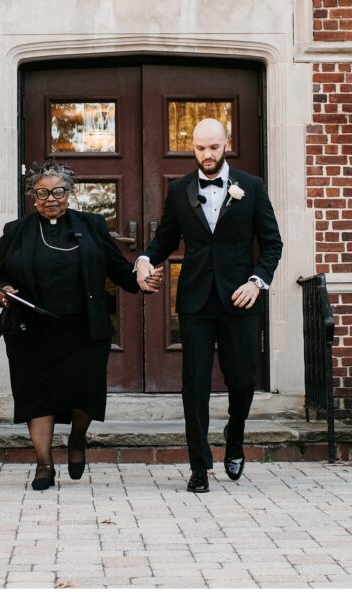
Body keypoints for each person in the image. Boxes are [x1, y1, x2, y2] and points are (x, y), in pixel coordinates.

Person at [0, 161, 163, 491]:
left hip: (83, 330)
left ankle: (77, 440)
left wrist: (141, 280)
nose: (50, 199)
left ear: (69, 193)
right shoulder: (16, 232)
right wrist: (2, 292)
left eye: (58, 191)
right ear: (32, 197)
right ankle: (43, 465)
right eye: (42, 192)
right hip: (31, 331)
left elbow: (118, 269)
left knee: (84, 395)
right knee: (37, 397)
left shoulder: (92, 225)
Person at [136, 118, 283, 493]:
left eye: (214, 147)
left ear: (226, 144)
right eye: (200, 148)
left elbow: (272, 244)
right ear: (193, 148)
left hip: (240, 298)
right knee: (195, 385)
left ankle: (234, 437)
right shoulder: (180, 189)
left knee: (243, 380)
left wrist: (257, 282)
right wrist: (143, 260)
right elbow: (165, 240)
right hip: (195, 300)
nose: (207, 155)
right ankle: (199, 466)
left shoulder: (251, 186)